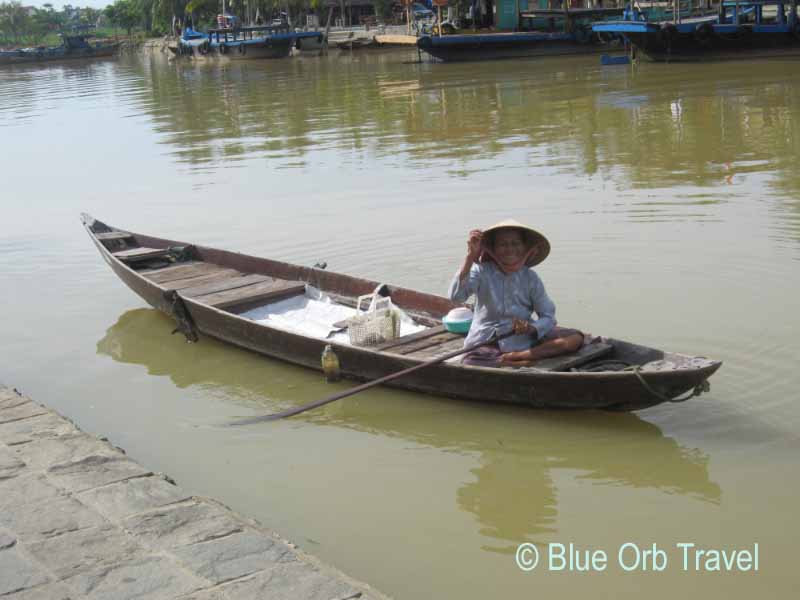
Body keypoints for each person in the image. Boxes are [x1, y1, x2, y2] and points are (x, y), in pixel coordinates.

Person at [448, 220, 584, 367]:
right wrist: (470, 257)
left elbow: (548, 316)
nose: (510, 249)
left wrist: (531, 328)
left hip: (523, 340)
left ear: (525, 248)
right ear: (493, 249)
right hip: (488, 339)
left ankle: (517, 357)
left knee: (575, 338)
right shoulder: (481, 271)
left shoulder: (530, 277)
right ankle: (505, 360)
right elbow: (456, 296)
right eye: (503, 244)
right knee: (470, 360)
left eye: (515, 243)